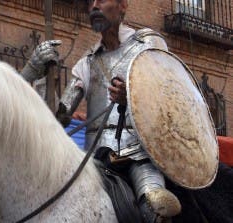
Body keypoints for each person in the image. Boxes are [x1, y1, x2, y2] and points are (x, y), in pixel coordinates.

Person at [21, 0, 181, 222]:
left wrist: (132, 97)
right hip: (93, 158)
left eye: (102, 0)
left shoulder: (147, 45)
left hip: (139, 153)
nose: (94, 6)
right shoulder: (86, 62)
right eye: (90, 2)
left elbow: (170, 99)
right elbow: (57, 118)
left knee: (155, 205)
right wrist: (37, 75)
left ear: (123, 5)